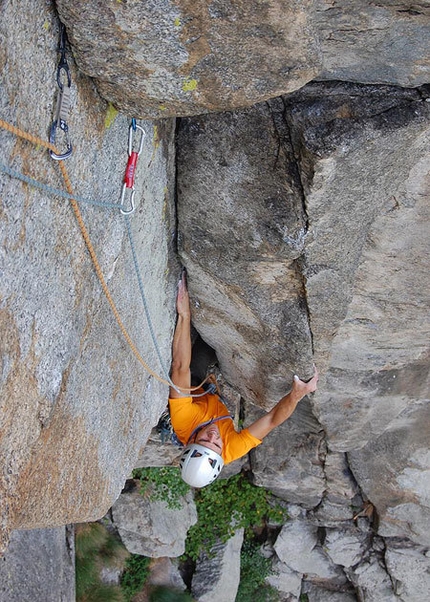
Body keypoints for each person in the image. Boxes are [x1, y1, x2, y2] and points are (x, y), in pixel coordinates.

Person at [169, 272, 319, 488]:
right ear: (222, 455)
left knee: (204, 349)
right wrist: (297, 395)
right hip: (214, 398)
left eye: (204, 440)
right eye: (216, 445)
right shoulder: (232, 450)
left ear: (191, 441)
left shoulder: (183, 420)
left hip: (195, 384)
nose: (213, 436)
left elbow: (180, 366)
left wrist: (184, 315)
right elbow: (271, 420)